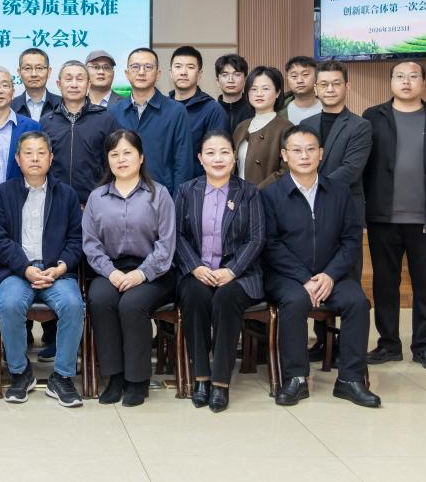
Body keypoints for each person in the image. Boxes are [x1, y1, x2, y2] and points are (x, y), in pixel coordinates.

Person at [262, 126, 381, 408]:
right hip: (288, 277)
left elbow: (351, 239)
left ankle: (350, 380)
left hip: (332, 275)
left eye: (310, 149)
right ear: (284, 155)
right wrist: (305, 278)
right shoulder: (270, 194)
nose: (304, 156)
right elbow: (270, 243)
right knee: (294, 301)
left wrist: (329, 275)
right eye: (296, 150)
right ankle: (295, 379)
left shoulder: (340, 192)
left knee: (356, 302)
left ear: (321, 153)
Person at [364, 61, 426, 372]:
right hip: (382, 218)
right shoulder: (373, 117)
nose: (406, 81)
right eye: (399, 76)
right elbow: (364, 166)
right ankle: (388, 344)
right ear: (391, 81)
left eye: (413, 76)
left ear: (423, 83)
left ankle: (424, 347)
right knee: (385, 284)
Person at [0, 131, 85, 407]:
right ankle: (20, 373)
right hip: (16, 272)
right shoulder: (3, 193)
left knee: (73, 305)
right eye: (28, 153)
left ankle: (62, 377)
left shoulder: (66, 195)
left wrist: (60, 268)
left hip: (56, 272)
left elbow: (76, 240)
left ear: (51, 158)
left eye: (41, 153)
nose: (35, 158)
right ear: (17, 159)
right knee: (9, 304)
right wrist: (25, 269)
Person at [83, 130, 177, 407]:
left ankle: (137, 380)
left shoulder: (159, 194)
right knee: (100, 299)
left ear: (141, 157)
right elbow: (91, 244)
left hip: (154, 271)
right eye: (114, 154)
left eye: (127, 153)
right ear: (108, 160)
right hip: (110, 269)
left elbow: (166, 245)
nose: (121, 159)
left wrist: (141, 274)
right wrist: (111, 272)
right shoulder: (97, 197)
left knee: (132, 304)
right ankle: (114, 377)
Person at [174, 130, 265, 413]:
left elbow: (256, 238)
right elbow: (176, 235)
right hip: (197, 272)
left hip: (239, 274)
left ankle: (221, 381)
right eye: (210, 153)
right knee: (195, 297)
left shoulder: (249, 192)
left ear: (234, 158)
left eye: (224, 152)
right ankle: (201, 377)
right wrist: (195, 267)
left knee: (226, 299)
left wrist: (232, 271)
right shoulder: (186, 191)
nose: (218, 159)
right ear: (200, 159)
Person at [298, 60, 373, 362]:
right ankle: (322, 339)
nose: (330, 89)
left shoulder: (360, 126)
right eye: (324, 84)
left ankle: (344, 344)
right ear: (316, 89)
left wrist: (313, 185)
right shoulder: (306, 125)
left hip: (345, 210)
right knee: (317, 269)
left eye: (336, 84)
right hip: (308, 211)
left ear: (347, 87)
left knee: (346, 275)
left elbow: (351, 169)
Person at [108, 48, 193, 196]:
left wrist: (177, 202)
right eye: (135, 67)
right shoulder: (114, 112)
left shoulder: (176, 111)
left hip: (162, 197)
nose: (141, 72)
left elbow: (183, 163)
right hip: (122, 197)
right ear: (127, 74)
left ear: (158, 74)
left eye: (148, 67)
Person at [38, 60, 119, 205]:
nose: (74, 85)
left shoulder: (105, 119)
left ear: (88, 84)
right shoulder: (46, 121)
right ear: (59, 84)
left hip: (95, 203)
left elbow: (113, 163)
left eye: (80, 79)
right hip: (55, 202)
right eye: (68, 79)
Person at [169, 45, 230, 177]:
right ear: (170, 72)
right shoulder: (162, 108)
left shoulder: (213, 110)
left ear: (200, 74)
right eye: (178, 66)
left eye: (190, 67)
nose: (183, 72)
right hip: (161, 186)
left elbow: (217, 158)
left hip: (197, 185)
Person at [233, 66, 291, 189]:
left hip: (268, 196)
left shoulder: (286, 128)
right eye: (253, 89)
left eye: (265, 88)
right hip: (239, 195)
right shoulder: (241, 127)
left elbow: (287, 170)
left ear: (277, 93)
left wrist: (257, 191)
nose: (259, 94)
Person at [12, 48, 61, 121]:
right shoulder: (10, 107)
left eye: (39, 68)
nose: (34, 74)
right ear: (19, 72)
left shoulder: (62, 104)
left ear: (49, 72)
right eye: (27, 68)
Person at [215, 53, 255, 131]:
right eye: (225, 75)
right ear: (217, 81)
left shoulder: (254, 109)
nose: (230, 80)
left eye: (237, 74)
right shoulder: (212, 110)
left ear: (245, 80)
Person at [282, 56, 322, 124]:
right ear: (287, 79)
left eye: (305, 74)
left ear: (316, 77)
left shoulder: (329, 107)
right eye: (294, 76)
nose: (299, 80)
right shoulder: (278, 109)